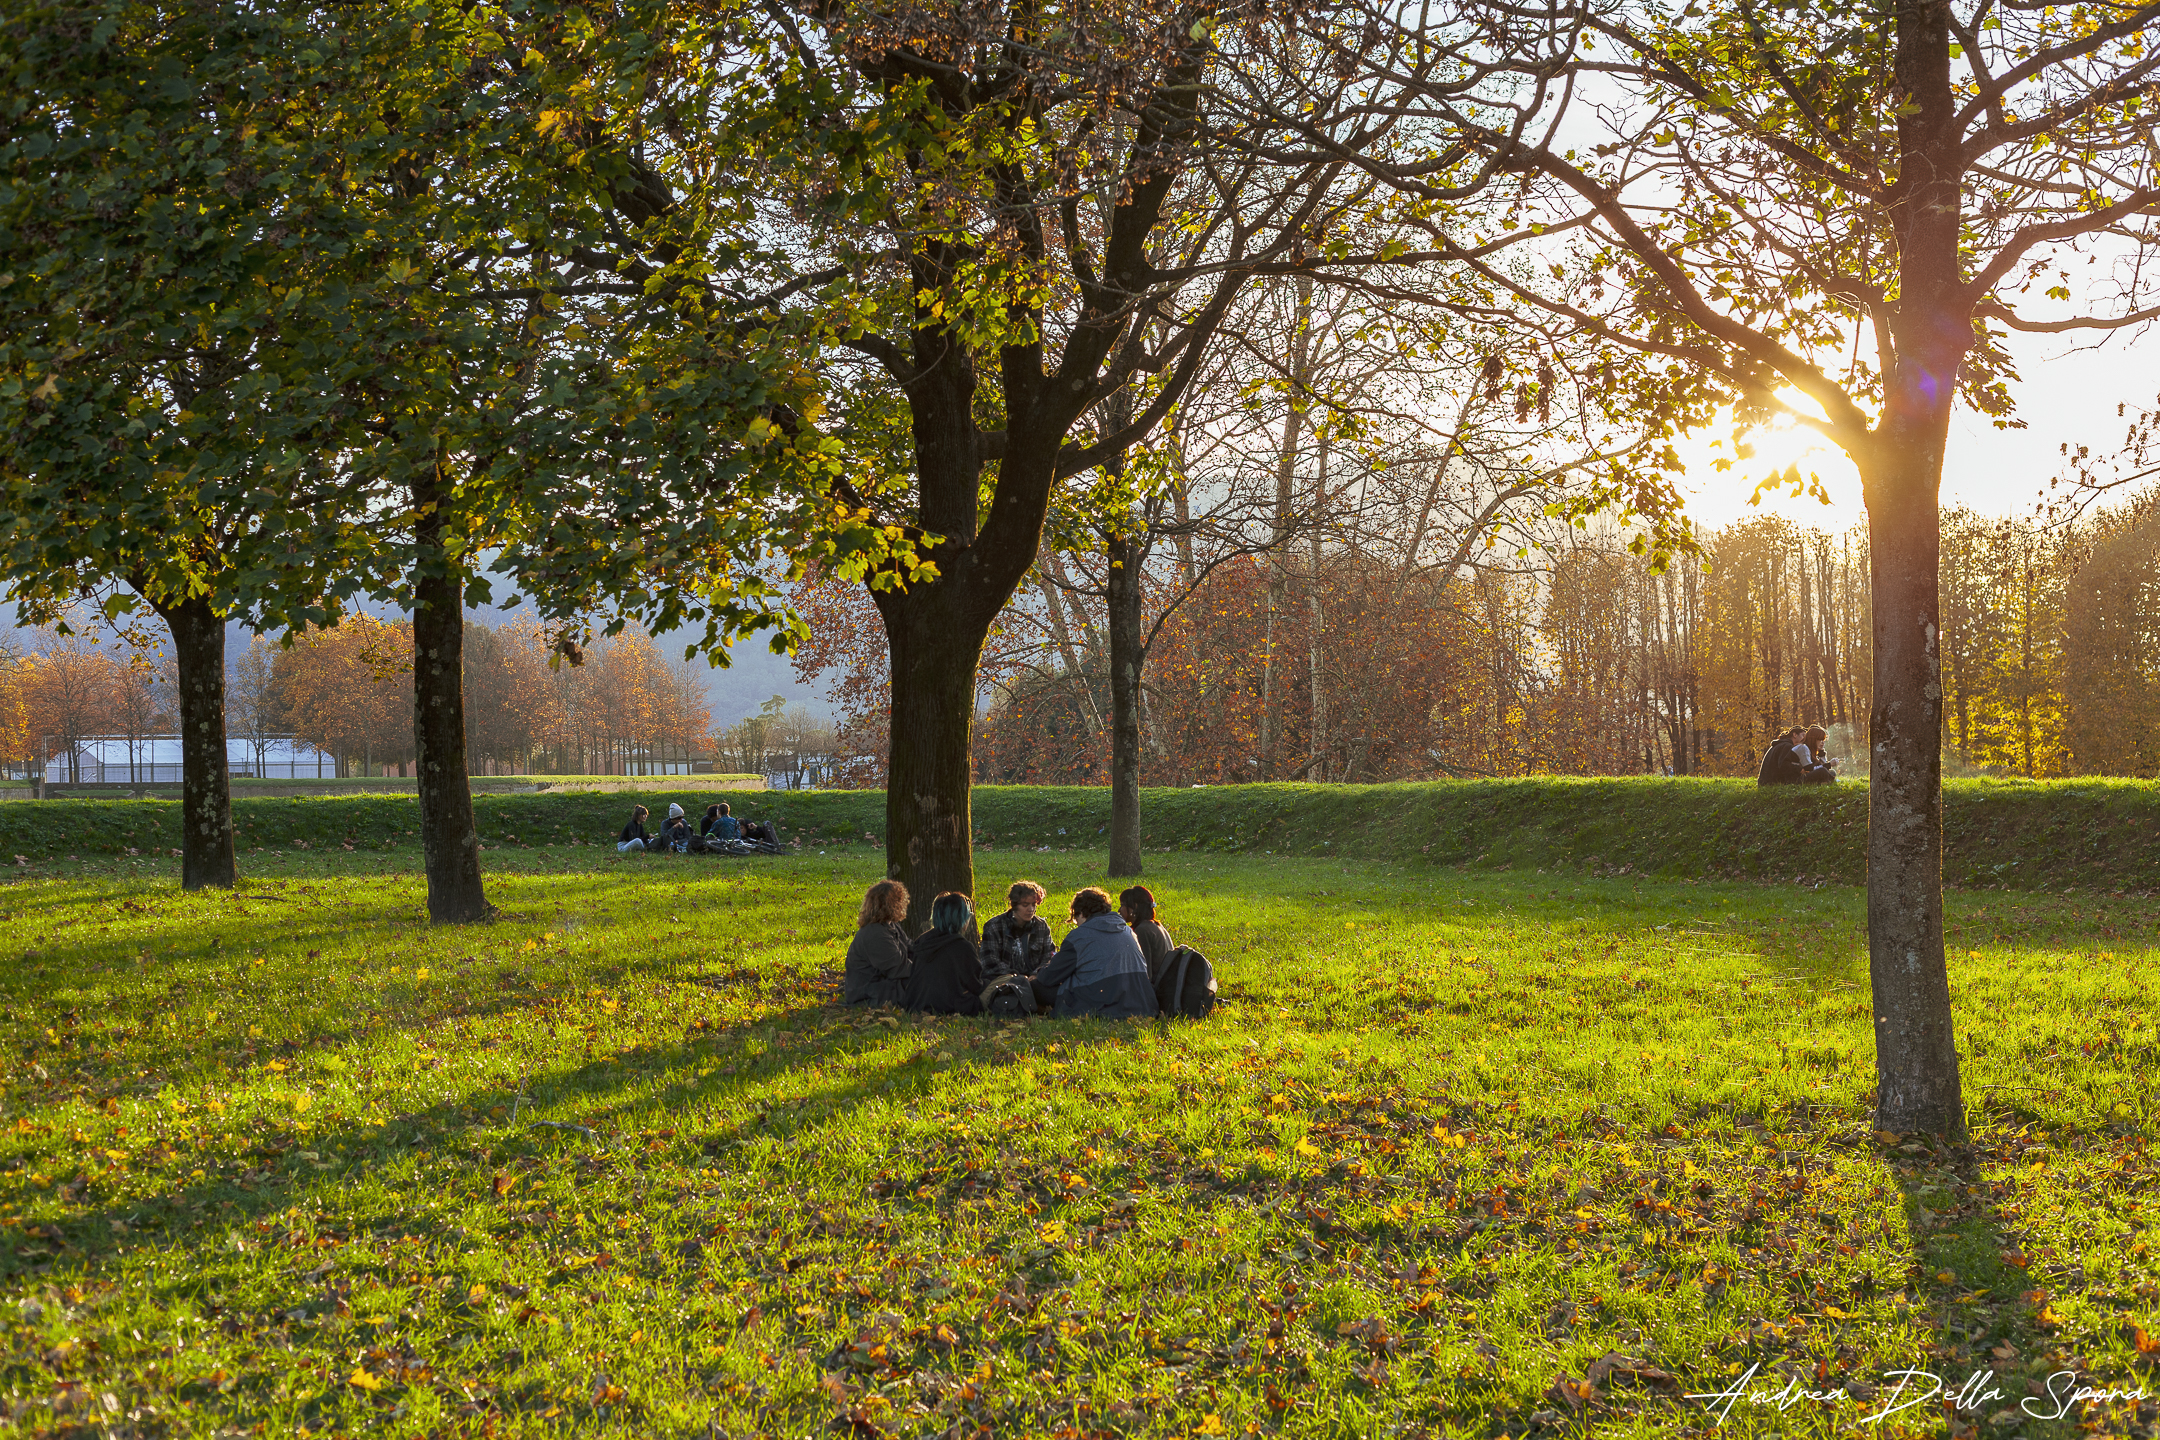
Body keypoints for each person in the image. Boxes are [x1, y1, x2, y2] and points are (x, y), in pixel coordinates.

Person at [1033, 887, 1158, 1020]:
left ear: (1081, 913)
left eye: (1075, 919)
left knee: (1034, 987)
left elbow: (1049, 977)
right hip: (1140, 1003)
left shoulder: (1079, 936)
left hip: (1100, 1002)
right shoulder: (1127, 931)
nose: (1076, 924)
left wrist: (1038, 973)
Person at [902, 892, 984, 1015]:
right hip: (949, 1006)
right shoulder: (962, 947)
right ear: (961, 919)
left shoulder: (923, 940)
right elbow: (976, 985)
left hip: (917, 1004)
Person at [844, 879, 912, 1006]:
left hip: (884, 986)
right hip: (870, 993)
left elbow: (909, 947)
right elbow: (897, 968)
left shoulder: (891, 925)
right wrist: (925, 969)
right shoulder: (875, 933)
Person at [980, 881, 1055, 983]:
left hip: (1035, 980)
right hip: (1005, 982)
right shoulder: (994, 926)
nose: (1031, 909)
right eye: (1025, 905)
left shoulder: (1041, 926)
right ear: (1014, 905)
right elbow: (990, 961)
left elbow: (1049, 957)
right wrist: (1017, 978)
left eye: (1033, 904)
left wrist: (1037, 974)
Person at [1119, 884, 1175, 989]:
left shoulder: (1142, 931)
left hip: (1157, 994)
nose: (1119, 910)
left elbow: (1144, 974)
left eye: (1122, 905)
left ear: (1134, 907)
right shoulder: (1156, 925)